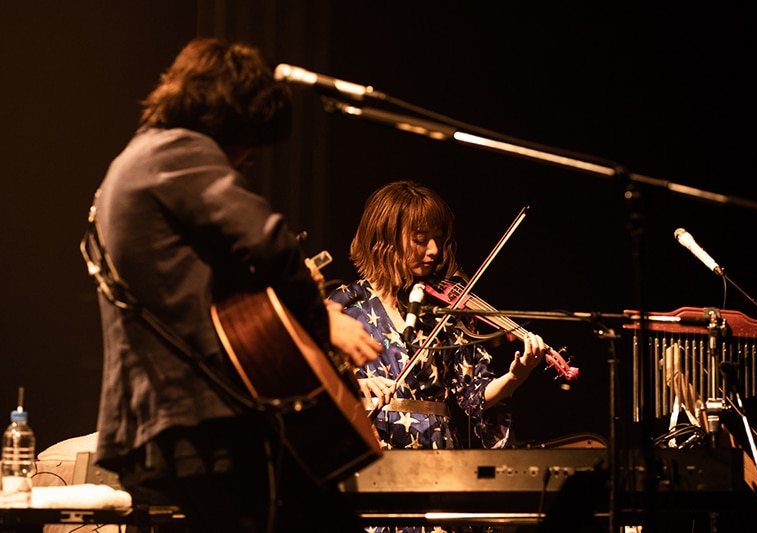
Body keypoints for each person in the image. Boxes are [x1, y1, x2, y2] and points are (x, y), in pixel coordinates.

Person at [81, 37, 382, 533]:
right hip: (209, 420)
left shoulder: (133, 163)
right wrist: (319, 321)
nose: (248, 159)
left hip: (170, 420)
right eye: (250, 140)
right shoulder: (177, 151)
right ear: (227, 117)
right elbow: (270, 240)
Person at [327, 180, 548, 532]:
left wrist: (515, 376)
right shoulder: (342, 306)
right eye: (420, 239)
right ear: (386, 238)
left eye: (439, 239)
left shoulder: (444, 311)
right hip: (371, 461)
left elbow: (475, 395)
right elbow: (309, 385)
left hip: (437, 459)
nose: (434, 251)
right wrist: (357, 386)